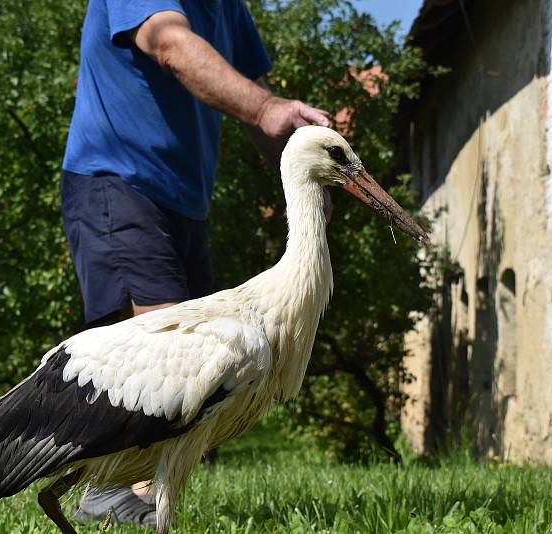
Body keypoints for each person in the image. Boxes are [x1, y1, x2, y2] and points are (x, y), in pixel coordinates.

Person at [59, 0, 331, 527]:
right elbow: (171, 45)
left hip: (186, 202)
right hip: (117, 179)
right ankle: (129, 501)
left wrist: (298, 175)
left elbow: (253, 91)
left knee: (203, 376)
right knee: (171, 359)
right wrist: (264, 108)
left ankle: (112, 492)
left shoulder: (229, 7)